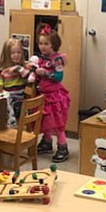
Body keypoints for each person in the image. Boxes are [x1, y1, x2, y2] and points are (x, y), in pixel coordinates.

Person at [34, 23, 71, 163]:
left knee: (57, 122)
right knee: (46, 120)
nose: (42, 46)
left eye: (46, 44)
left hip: (55, 97)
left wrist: (45, 73)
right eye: (40, 43)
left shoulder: (57, 60)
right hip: (42, 95)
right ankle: (47, 141)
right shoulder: (40, 58)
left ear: (53, 45)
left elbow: (58, 77)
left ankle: (62, 146)